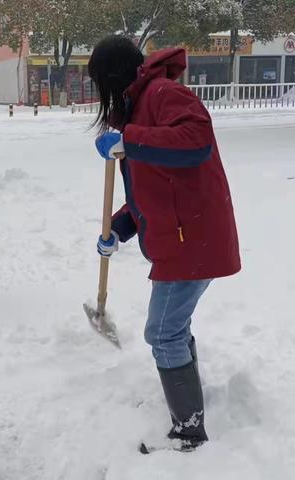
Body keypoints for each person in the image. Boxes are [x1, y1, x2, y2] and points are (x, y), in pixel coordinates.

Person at [88, 35, 241, 453]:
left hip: (193, 240)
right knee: (172, 329)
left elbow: (196, 141)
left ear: (112, 77)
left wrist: (132, 140)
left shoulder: (163, 93)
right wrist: (118, 229)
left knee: (163, 333)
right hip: (182, 238)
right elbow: (152, 191)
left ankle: (188, 429)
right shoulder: (140, 106)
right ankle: (188, 405)